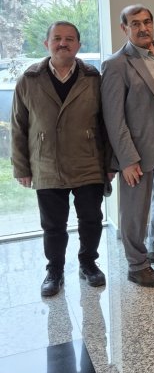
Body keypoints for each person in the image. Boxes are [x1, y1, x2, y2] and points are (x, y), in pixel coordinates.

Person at [11, 21, 111, 296]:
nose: (63, 43)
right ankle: (54, 270)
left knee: (91, 219)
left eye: (69, 39)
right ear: (47, 44)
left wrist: (110, 164)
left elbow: (106, 124)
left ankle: (88, 263)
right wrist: (21, 167)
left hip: (88, 162)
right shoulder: (29, 79)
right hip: (46, 163)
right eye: (57, 38)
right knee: (53, 225)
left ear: (78, 45)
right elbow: (19, 126)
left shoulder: (93, 78)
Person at [101, 5, 154, 288]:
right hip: (138, 148)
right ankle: (137, 265)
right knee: (135, 208)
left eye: (147, 21)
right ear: (124, 28)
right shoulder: (116, 64)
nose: (143, 28)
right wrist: (126, 159)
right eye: (135, 23)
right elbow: (113, 118)